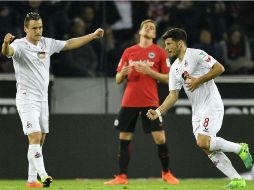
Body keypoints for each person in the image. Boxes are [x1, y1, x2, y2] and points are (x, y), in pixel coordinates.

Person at [1, 12, 104, 188]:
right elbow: (7, 52)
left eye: (40, 27)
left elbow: (69, 43)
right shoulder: (19, 45)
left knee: (39, 140)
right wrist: (4, 44)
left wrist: (92, 36)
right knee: (35, 136)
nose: (38, 30)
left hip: (42, 99)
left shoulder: (47, 43)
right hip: (26, 97)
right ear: (26, 28)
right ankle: (43, 175)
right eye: (34, 28)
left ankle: (31, 180)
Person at [146, 28, 253, 188]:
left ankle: (240, 148)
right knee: (205, 146)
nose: (166, 48)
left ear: (180, 43)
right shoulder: (175, 67)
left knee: (203, 141)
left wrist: (199, 80)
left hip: (212, 104)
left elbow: (220, 68)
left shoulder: (196, 54)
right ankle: (237, 180)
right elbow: (173, 95)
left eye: (169, 44)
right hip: (197, 110)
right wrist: (158, 111)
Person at [104, 19, 179, 185]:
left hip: (150, 101)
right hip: (129, 101)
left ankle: (166, 173)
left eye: (152, 27)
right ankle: (122, 176)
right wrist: (122, 73)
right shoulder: (129, 51)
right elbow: (117, 79)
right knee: (124, 137)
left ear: (154, 34)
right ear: (140, 31)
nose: (149, 28)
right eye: (147, 26)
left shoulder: (159, 52)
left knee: (160, 138)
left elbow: (168, 78)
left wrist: (149, 72)